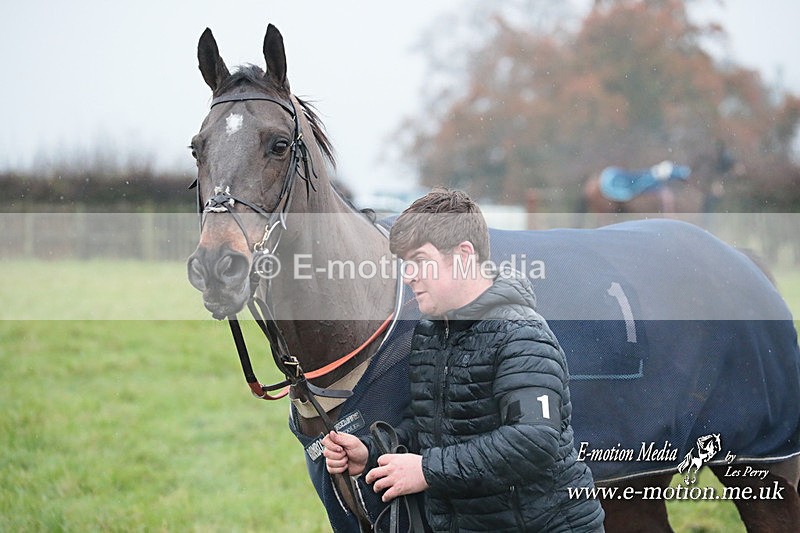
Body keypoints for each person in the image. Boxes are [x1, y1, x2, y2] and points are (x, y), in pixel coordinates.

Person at [322, 188, 605, 532]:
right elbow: (435, 430)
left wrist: (427, 470)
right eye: (405, 264)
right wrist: (370, 453)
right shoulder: (430, 335)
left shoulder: (522, 334)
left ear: (463, 255)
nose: (408, 276)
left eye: (419, 260)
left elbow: (533, 441)